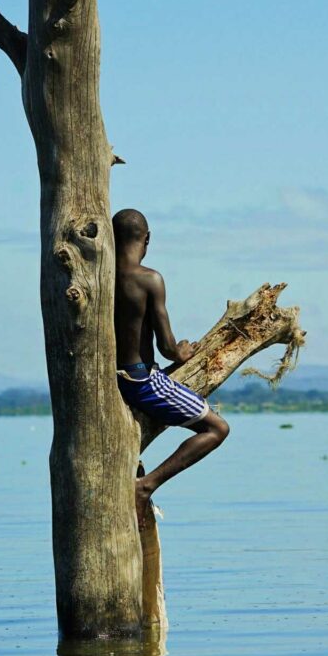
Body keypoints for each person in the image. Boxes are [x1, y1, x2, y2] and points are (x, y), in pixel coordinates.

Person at [112, 208, 229, 526]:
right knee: (218, 429)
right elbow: (168, 348)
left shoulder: (100, 278)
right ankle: (145, 486)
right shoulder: (148, 279)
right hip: (140, 380)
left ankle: (143, 485)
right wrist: (184, 351)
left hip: (113, 377)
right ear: (147, 239)